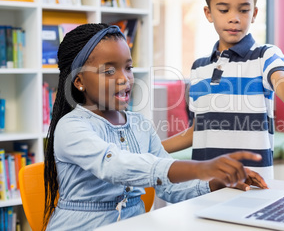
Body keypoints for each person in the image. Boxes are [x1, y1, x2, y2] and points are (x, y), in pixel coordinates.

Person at [43, 23, 267, 230]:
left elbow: (169, 186)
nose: (125, 79)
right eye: (109, 71)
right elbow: (115, 166)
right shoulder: (71, 127)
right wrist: (201, 167)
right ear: (79, 81)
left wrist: (215, 183)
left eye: (128, 68)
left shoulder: (140, 124)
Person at [162, 0, 284, 182]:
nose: (234, 18)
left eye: (243, 10)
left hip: (252, 185)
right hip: (204, 187)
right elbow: (197, 129)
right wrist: (155, 149)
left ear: (254, 14)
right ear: (208, 13)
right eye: (224, 10)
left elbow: (281, 79)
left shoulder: (264, 56)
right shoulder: (198, 68)